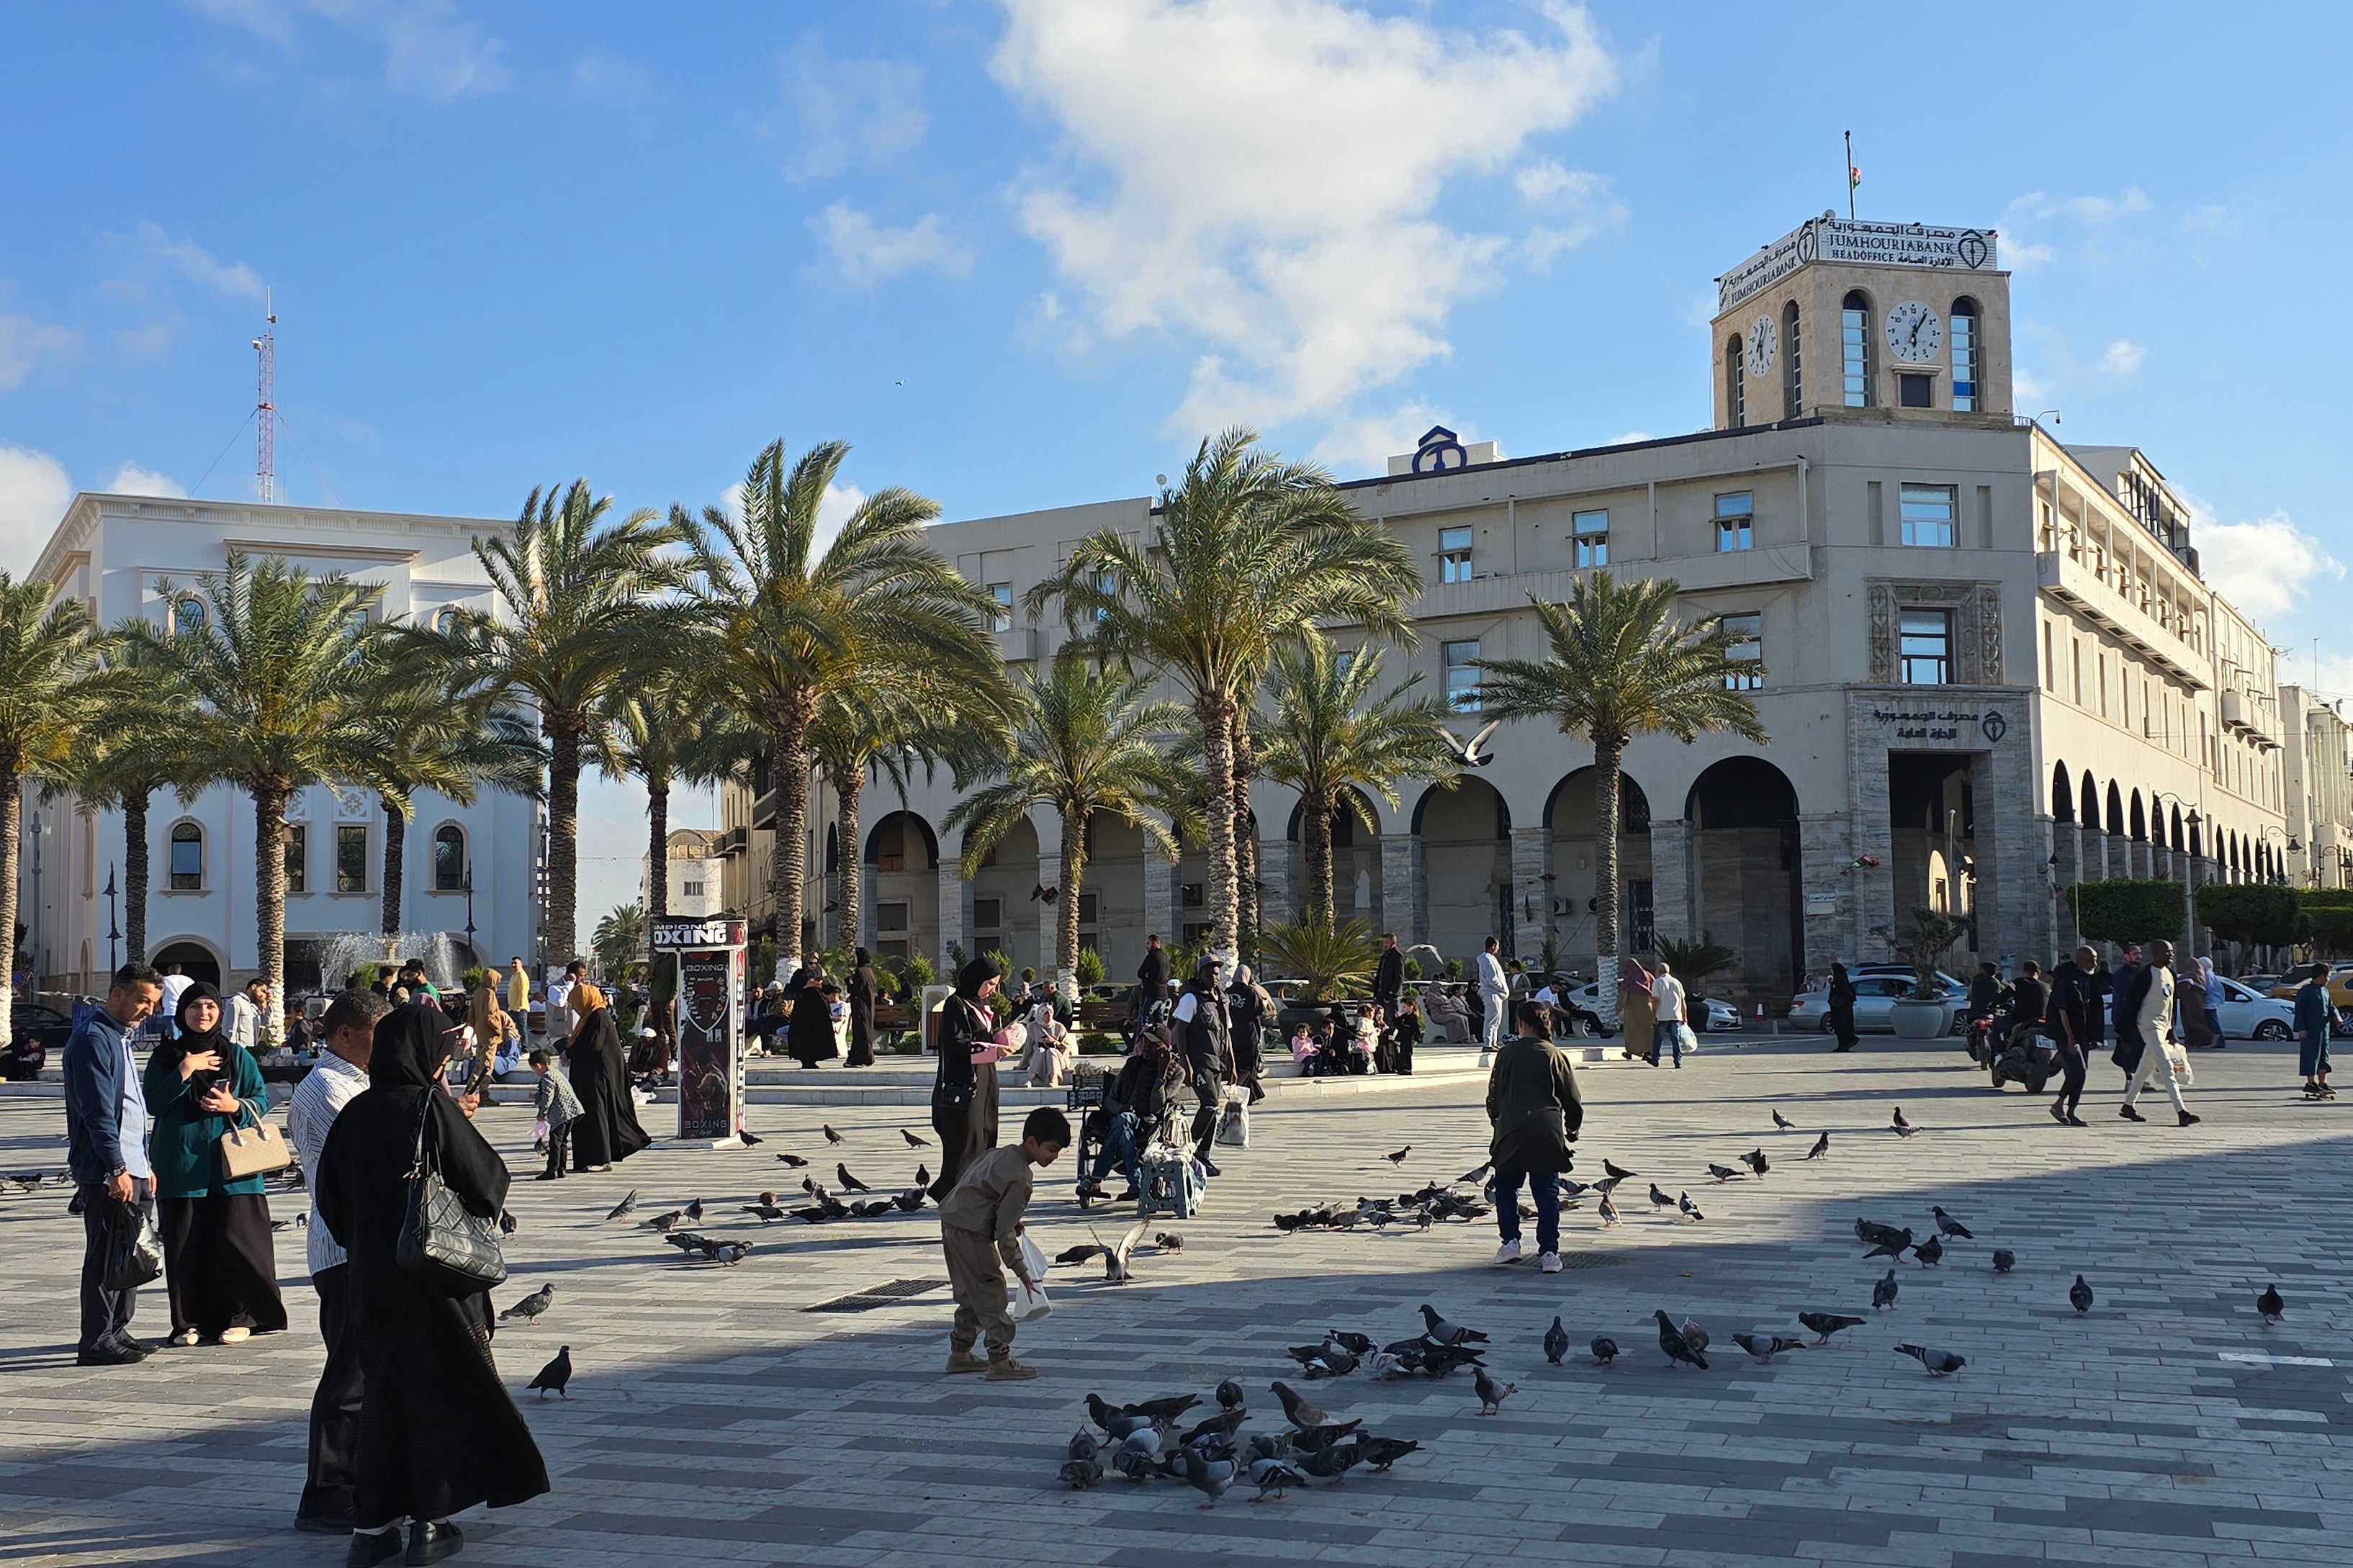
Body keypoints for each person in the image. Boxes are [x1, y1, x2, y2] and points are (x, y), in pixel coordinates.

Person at [315, 1002, 549, 1566]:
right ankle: (430, 1523)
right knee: (441, 1397)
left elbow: (329, 1201)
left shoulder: (357, 1112)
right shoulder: (429, 1107)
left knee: (382, 1400)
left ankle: (372, 1531)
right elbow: (490, 1180)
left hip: (372, 1284)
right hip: (435, 1285)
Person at [284, 988, 391, 1534]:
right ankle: (325, 1492)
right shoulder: (326, 1089)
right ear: (346, 1034)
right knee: (347, 1376)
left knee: (367, 1373)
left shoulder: (359, 1084)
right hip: (343, 1248)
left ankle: (357, 1482)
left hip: (365, 1247)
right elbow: (368, 1157)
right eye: (381, 1032)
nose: (388, 1043)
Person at [143, 983, 288, 1347]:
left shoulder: (237, 1055)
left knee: (238, 1242)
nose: (203, 1013)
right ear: (182, 1013)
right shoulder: (164, 1057)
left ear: (219, 1012)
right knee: (185, 1244)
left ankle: (241, 1317)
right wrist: (186, 1069)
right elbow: (154, 1104)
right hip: (182, 1164)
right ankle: (188, 1323)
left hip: (234, 1164)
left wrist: (234, 1106)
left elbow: (261, 1095)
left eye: (210, 1006)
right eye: (195, 1007)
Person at [63, 962, 164, 1366]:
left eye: (153, 1004)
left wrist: (144, 1162)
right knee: (106, 1255)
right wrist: (116, 1168)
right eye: (142, 1000)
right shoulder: (93, 1038)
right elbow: (98, 1112)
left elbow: (131, 1107)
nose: (148, 1011)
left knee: (132, 1251)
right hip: (109, 1170)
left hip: (135, 1165)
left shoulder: (119, 1038)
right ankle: (96, 1340)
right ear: (117, 994)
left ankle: (118, 1330)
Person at [939, 1104, 1068, 1382]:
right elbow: (1005, 1232)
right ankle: (1000, 1359)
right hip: (971, 1233)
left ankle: (960, 1353)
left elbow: (978, 1190)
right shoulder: (1021, 1177)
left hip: (952, 1223)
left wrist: (996, 1218)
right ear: (1032, 1142)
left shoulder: (999, 1153)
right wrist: (1023, 1272)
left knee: (970, 1293)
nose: (1054, 1157)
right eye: (1051, 1149)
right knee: (991, 1293)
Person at [1486, 999, 1584, 1274]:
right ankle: (1549, 1253)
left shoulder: (1506, 1054)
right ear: (1547, 1023)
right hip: (1546, 1132)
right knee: (1547, 1193)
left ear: (1520, 1023)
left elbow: (1494, 1095)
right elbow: (1572, 1099)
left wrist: (1498, 1121)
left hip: (1512, 1131)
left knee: (1506, 1187)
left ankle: (1510, 1243)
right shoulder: (1554, 1054)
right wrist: (1572, 1129)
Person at [929, 956, 1007, 1200]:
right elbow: (955, 1043)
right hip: (964, 1085)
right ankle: (952, 1200)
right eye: (991, 983)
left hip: (985, 1082)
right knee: (964, 1147)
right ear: (977, 980)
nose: (993, 989)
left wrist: (1004, 1040)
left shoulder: (980, 1004)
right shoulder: (957, 1004)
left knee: (984, 1140)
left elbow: (985, 1038)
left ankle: (974, 1198)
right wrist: (990, 1050)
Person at [1077, 1032, 1171, 1199]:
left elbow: (1157, 1106)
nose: (1147, 1047)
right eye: (1145, 1042)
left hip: (1148, 1123)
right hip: (1121, 1116)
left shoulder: (1175, 1072)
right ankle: (1136, 1184)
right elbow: (1109, 1099)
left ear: (1165, 1049)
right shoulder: (1132, 1065)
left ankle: (1096, 1178)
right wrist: (1121, 1108)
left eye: (1154, 1044)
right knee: (1123, 1126)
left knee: (1123, 1126)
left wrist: (1161, 1074)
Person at [2118, 939, 2199, 1127]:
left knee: (2145, 1068)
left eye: (2172, 952)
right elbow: (2131, 1004)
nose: (2171, 955)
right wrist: (2125, 1034)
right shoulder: (2145, 976)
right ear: (2156, 953)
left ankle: (2128, 1106)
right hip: (2149, 1025)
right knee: (2166, 1066)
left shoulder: (2170, 974)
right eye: (2167, 952)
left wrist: (2172, 1030)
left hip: (2163, 1027)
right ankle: (2181, 1111)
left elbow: (2171, 1005)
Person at [565, 1005, 651, 1172]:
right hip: (589, 1079)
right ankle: (591, 1159)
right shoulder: (590, 1017)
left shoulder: (599, 1016)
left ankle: (599, 1159)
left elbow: (593, 1044)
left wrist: (570, 1053)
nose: (576, 1006)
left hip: (597, 1079)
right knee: (591, 1117)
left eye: (577, 1001)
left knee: (597, 1117)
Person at [1172, 957, 1231, 1175]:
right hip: (1199, 1060)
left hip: (1217, 1061)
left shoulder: (1222, 1000)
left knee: (1213, 1110)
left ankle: (1203, 1157)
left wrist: (1232, 1062)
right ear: (1200, 975)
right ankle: (1190, 1148)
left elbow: (1227, 1032)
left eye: (1217, 974)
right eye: (1209, 974)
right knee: (1208, 1104)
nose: (1214, 978)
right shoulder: (1191, 998)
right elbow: (1180, 1030)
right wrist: (1185, 1061)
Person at [2047, 947, 2100, 1126]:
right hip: (2066, 1033)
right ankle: (2058, 1104)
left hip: (2082, 1033)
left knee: (2080, 1074)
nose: (2094, 964)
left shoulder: (2089, 978)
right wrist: (2070, 1038)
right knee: (2079, 1070)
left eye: (2095, 960)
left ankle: (2071, 1111)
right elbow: (2062, 1010)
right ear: (2079, 960)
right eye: (2090, 960)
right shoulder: (2066, 979)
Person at [528, 1050, 583, 1179]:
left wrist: (542, 1112)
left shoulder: (547, 1077)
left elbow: (548, 1096)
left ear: (538, 1066)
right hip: (571, 1112)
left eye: (533, 1070)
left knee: (555, 1143)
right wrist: (536, 1097)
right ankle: (561, 1168)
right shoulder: (556, 1073)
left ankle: (552, 1169)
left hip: (560, 1114)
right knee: (562, 1142)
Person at [1227, 963, 1272, 1101]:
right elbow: (1258, 1011)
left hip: (1233, 1034)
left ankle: (1252, 1096)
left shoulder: (1227, 992)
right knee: (1248, 1065)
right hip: (1249, 1034)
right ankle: (1235, 1092)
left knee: (1242, 1065)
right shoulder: (1250, 992)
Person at [2295, 970, 2335, 1099]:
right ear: (2322, 976)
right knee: (2311, 1055)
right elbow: (2299, 1010)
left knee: (2324, 1055)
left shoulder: (2324, 991)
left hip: (2324, 1028)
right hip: (2311, 1029)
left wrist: (2337, 1016)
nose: (2329, 979)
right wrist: (2302, 1028)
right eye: (2328, 976)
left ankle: (2323, 1083)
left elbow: (2331, 1006)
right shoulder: (2306, 991)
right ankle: (2311, 1082)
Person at [786, 965, 835, 1070]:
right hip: (803, 1012)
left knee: (819, 1035)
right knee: (803, 1036)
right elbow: (791, 991)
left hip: (819, 1011)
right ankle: (806, 1060)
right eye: (811, 962)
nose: (813, 965)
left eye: (816, 962)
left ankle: (815, 1059)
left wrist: (820, 986)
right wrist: (806, 986)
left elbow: (832, 988)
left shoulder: (821, 973)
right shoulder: (800, 974)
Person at [1475, 937, 1511, 1060]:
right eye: (1498, 946)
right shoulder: (1486, 960)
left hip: (1496, 993)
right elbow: (1492, 978)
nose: (1499, 948)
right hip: (1492, 992)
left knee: (1496, 1020)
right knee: (1491, 1018)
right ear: (1494, 946)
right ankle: (1488, 1043)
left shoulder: (1490, 959)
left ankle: (1493, 1042)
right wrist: (1503, 988)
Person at [1650, 960, 1688, 1068]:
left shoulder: (1658, 982)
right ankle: (1677, 1060)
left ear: (1660, 971)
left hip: (1662, 1015)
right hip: (1675, 1015)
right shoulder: (1677, 982)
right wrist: (1684, 1015)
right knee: (1675, 1038)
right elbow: (1682, 1000)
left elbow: (1655, 1000)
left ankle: (1655, 1059)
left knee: (1658, 1038)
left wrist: (1653, 1016)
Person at [846, 948, 880, 1068]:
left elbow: (855, 990)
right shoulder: (869, 971)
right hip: (868, 1006)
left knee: (861, 1032)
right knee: (864, 1031)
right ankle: (860, 1058)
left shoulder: (860, 971)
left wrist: (848, 981)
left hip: (861, 1006)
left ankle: (862, 1058)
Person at [1620, 956, 1657, 1060]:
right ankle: (1648, 1052)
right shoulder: (1648, 976)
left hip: (1632, 1009)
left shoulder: (1629, 979)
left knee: (1631, 1030)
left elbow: (1624, 995)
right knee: (1647, 1030)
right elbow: (1655, 990)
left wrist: (1618, 1007)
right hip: (1647, 1007)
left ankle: (1630, 1052)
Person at [1379, 993, 1423, 1075]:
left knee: (1407, 1053)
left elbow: (1417, 1029)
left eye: (1405, 1007)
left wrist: (1417, 1038)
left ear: (1411, 1007)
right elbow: (1398, 1025)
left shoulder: (1413, 1018)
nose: (1403, 1009)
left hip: (1409, 1037)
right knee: (1402, 1052)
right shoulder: (1404, 1016)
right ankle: (1402, 1067)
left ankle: (1407, 1068)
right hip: (1403, 1037)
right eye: (1402, 1007)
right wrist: (1397, 1017)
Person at [227, 976, 270, 1053]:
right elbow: (229, 1028)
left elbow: (264, 1025)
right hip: (238, 1049)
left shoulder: (254, 1008)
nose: (263, 995)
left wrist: (267, 1004)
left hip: (251, 1050)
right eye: (262, 990)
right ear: (253, 987)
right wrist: (231, 1051)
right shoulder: (237, 1001)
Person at [1826, 962, 1859, 1053]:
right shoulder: (1840, 980)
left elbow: (1840, 994)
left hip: (1841, 1011)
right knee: (1840, 1027)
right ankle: (1843, 1045)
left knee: (1841, 1027)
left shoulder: (1840, 981)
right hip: (1842, 1010)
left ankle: (1846, 1043)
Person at [157, 961, 192, 1039]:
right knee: (184, 1034)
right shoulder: (188, 980)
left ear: (170, 970)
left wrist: (157, 1006)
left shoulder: (165, 980)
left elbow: (158, 994)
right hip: (184, 1010)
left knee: (174, 1035)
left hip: (170, 1010)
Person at [2196, 955, 2226, 1049]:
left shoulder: (2207, 974)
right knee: (2210, 1023)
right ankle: (2213, 1041)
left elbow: (2208, 987)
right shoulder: (2210, 973)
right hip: (2211, 1002)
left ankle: (2219, 1042)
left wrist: (2201, 992)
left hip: (2209, 1003)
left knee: (2213, 1023)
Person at [1373, 933, 1404, 1017]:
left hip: (1390, 997)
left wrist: (1391, 992)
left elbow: (1399, 977)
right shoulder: (1385, 956)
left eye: (1387, 942)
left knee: (1393, 1019)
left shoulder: (1397, 956)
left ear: (1393, 943)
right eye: (1384, 942)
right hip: (1381, 994)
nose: (1385, 945)